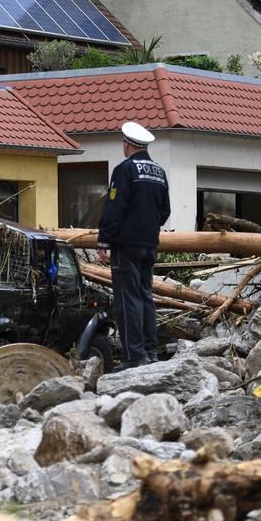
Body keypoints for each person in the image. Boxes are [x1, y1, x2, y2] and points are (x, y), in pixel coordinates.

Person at [96, 121, 170, 370]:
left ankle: (134, 357)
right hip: (149, 244)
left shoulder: (125, 170)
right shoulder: (159, 172)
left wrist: (104, 240)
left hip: (126, 245)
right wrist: (147, 226)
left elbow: (114, 208)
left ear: (127, 144)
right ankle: (150, 352)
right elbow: (165, 211)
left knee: (128, 300)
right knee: (145, 296)